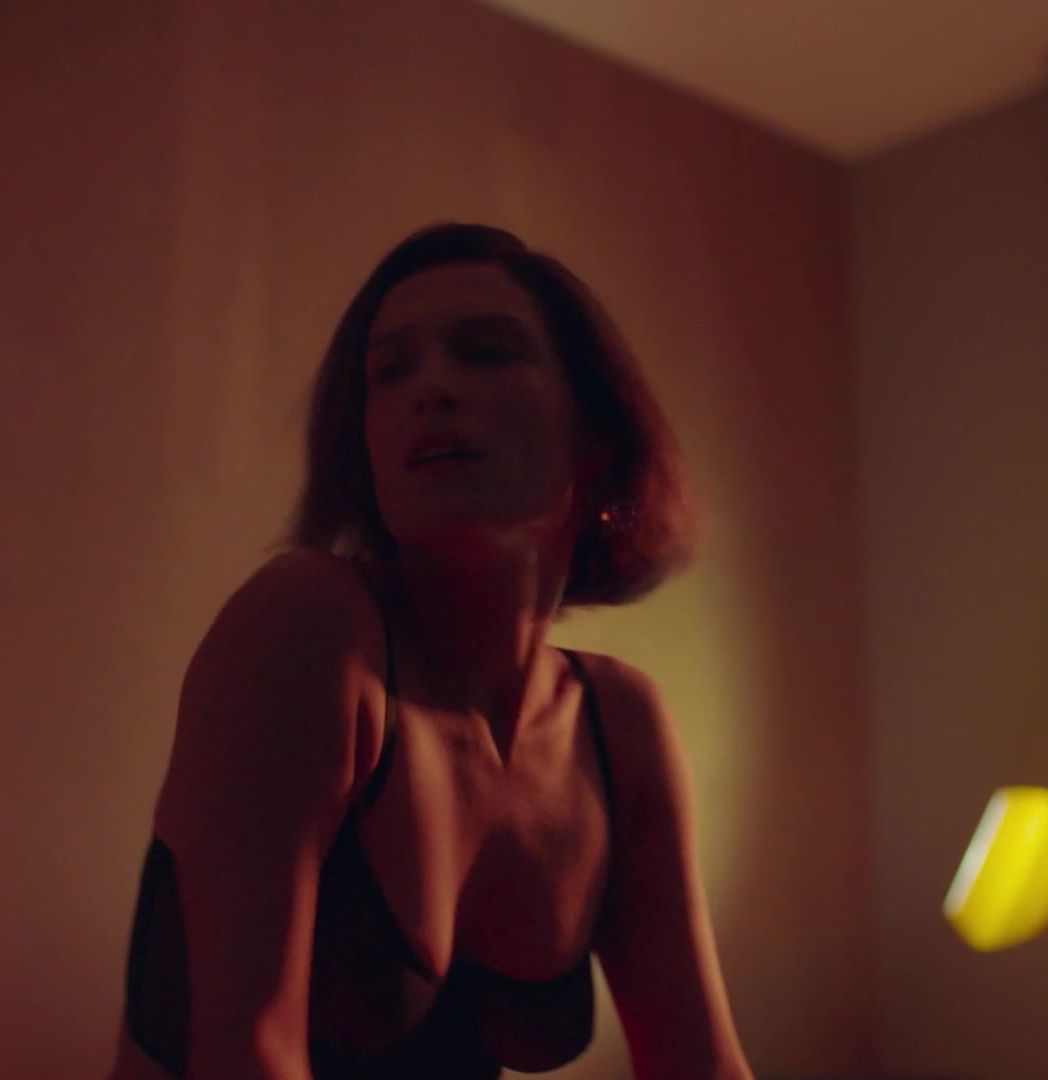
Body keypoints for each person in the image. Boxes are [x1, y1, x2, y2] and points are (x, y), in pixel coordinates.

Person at [108, 223, 752, 1079]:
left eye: (487, 353)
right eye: (390, 372)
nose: (433, 388)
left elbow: (702, 1065)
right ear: (365, 443)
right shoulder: (312, 625)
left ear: (595, 431)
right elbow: (244, 1055)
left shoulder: (618, 726)